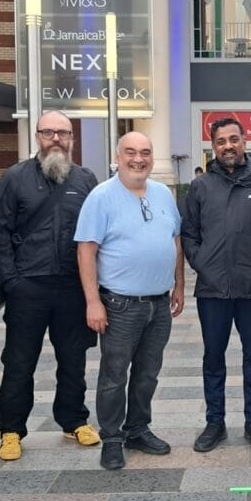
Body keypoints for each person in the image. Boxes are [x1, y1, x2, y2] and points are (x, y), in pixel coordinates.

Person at [0, 111, 101, 461]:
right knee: (19, 362)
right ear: (37, 136)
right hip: (28, 287)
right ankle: (11, 430)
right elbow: (0, 232)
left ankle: (73, 420)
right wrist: (11, 282)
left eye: (63, 133)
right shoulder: (15, 178)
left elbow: (96, 237)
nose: (56, 139)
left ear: (72, 138)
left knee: (74, 360)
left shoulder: (86, 180)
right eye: (48, 132)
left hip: (72, 287)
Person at [75, 131, 186, 470]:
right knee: (114, 374)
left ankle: (138, 428)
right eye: (131, 152)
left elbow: (175, 241)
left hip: (159, 302)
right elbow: (86, 250)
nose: (139, 159)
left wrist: (179, 285)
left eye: (146, 152)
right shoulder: (101, 197)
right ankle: (111, 437)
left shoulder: (163, 194)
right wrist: (93, 302)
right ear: (117, 157)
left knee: (148, 373)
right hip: (120, 305)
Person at [182, 118, 251, 453]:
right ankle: (215, 422)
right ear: (213, 147)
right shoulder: (202, 186)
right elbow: (189, 233)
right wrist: (202, 263)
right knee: (213, 357)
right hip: (213, 290)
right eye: (221, 141)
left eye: (233, 139)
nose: (228, 146)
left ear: (245, 141)